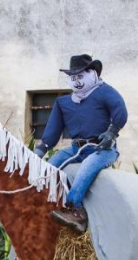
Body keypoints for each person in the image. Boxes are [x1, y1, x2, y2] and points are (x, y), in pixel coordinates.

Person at [35, 54, 128, 233]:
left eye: (81, 76)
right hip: (76, 149)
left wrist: (111, 132)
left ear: (92, 73)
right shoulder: (64, 102)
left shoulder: (104, 91)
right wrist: (42, 148)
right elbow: (53, 128)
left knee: (87, 167)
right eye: (73, 77)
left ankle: (76, 211)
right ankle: (42, 204)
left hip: (102, 149)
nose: (77, 81)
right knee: (50, 167)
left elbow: (120, 109)